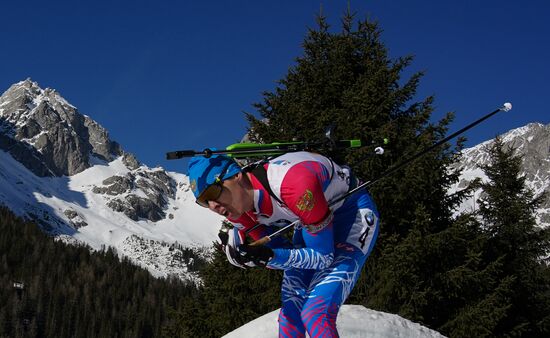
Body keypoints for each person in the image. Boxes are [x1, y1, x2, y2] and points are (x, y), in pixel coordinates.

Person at [188, 151, 379, 338]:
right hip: (311, 221)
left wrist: (269, 257)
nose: (213, 206)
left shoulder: (291, 185)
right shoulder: (238, 212)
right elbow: (285, 253)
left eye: (213, 192)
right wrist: (257, 258)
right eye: (204, 202)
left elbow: (322, 257)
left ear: (236, 175)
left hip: (351, 216)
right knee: (290, 317)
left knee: (315, 314)